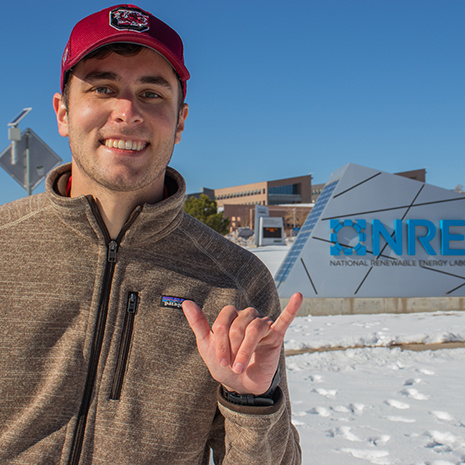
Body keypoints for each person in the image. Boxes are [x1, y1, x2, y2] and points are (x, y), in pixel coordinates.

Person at [0, 5, 302, 464]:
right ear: (62, 113)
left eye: (151, 93)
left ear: (179, 121)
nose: (127, 112)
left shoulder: (236, 280)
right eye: (103, 88)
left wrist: (250, 403)